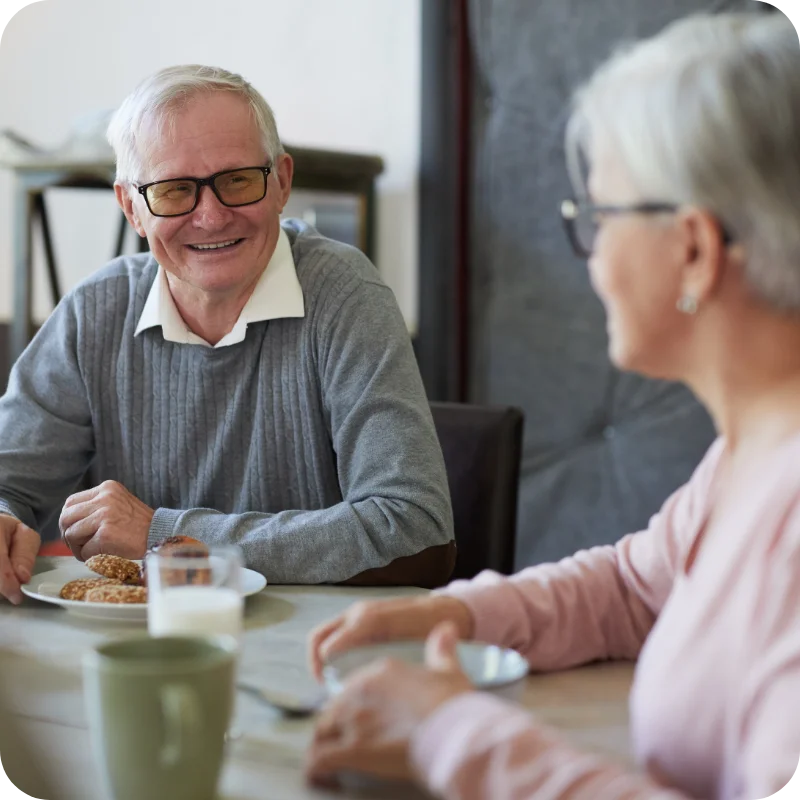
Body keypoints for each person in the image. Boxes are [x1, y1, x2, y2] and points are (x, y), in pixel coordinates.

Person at [306, 12, 800, 799]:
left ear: (696, 251)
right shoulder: (749, 454)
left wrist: (452, 736)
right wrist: (455, 617)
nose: (592, 255)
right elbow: (635, 589)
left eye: (601, 217)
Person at [0, 65, 456, 604]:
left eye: (238, 180)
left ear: (282, 182)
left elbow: (417, 534)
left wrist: (167, 536)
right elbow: (9, 480)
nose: (212, 217)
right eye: (174, 191)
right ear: (132, 208)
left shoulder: (345, 296)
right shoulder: (94, 312)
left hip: (312, 649)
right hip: (139, 649)